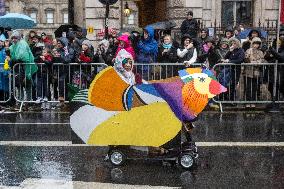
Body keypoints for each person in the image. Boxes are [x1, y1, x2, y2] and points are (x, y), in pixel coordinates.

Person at [9, 30, 38, 101]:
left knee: (27, 86)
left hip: (26, 67)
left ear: (18, 38)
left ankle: (28, 102)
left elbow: (23, 57)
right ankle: (20, 101)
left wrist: (27, 73)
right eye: (12, 38)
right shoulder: (13, 46)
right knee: (19, 86)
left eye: (15, 38)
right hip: (18, 69)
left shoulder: (23, 44)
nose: (13, 40)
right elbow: (13, 57)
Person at [243, 37, 264, 108]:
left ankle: (253, 101)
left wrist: (253, 62)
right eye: (255, 43)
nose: (256, 45)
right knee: (248, 87)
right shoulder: (248, 50)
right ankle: (248, 102)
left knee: (254, 87)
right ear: (252, 44)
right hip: (248, 71)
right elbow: (246, 59)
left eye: (258, 44)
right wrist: (254, 62)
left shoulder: (260, 52)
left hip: (256, 72)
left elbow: (261, 61)